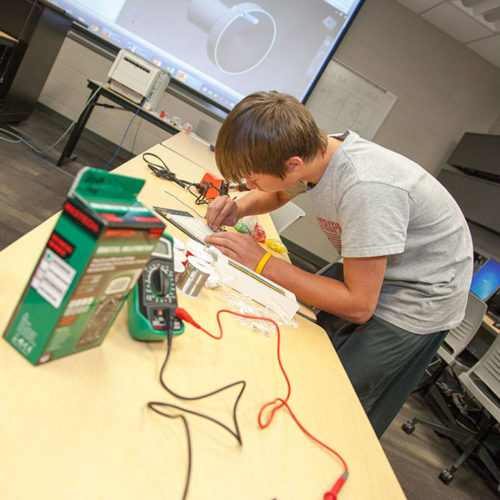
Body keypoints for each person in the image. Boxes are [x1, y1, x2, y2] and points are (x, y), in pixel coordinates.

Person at [204, 91, 473, 437]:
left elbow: (359, 306)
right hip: (381, 274)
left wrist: (264, 263)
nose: (248, 186)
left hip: (419, 298)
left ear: (293, 164)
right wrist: (239, 207)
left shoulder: (366, 188)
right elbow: (278, 191)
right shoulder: (313, 151)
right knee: (302, 350)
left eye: (251, 179)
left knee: (335, 402)